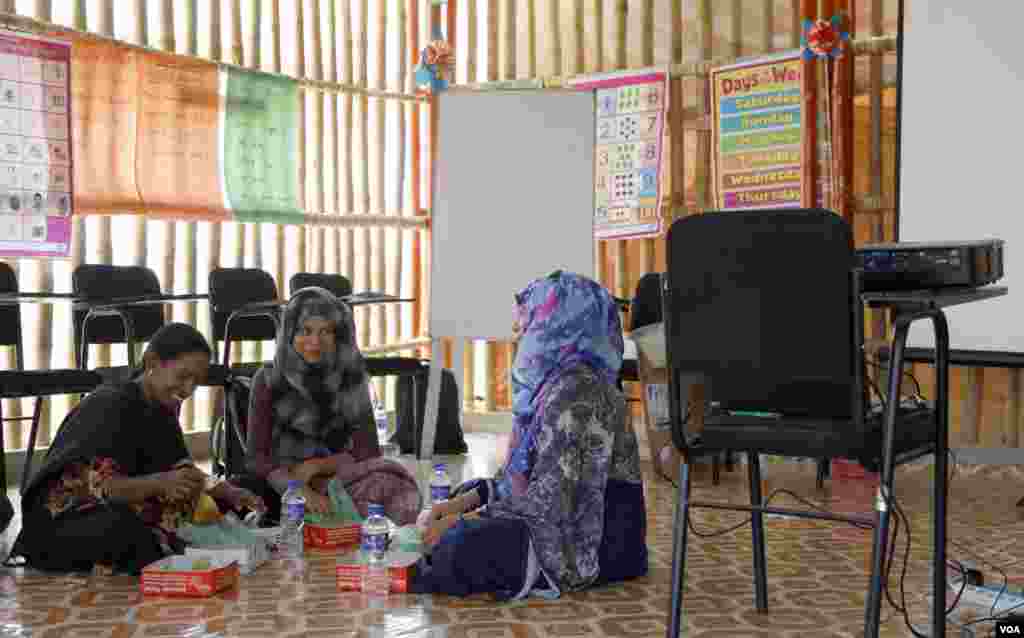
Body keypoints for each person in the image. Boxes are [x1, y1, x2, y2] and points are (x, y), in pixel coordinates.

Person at [415, 271, 648, 599]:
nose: (517, 338)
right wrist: (458, 505)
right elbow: (520, 481)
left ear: (557, 328)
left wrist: (460, 523)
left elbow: (550, 504)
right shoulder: (552, 386)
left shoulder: (579, 393)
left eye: (526, 328)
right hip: (558, 515)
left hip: (600, 543)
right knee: (464, 499)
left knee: (462, 545)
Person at [11, 323, 265, 575]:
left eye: (196, 382)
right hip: (68, 519)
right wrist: (159, 483)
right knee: (125, 531)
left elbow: (182, 469)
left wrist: (227, 490)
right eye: (183, 377)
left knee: (236, 496)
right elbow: (100, 486)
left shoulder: (162, 409)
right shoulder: (108, 405)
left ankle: (167, 545)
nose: (188, 390)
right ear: (152, 362)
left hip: (128, 504)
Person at [238, 286, 420, 525]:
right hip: (282, 482)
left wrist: (317, 466)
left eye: (326, 331)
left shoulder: (351, 377)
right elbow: (257, 459)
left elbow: (368, 452)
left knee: (391, 483)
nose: (315, 342)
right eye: (305, 331)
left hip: (338, 480)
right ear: (289, 333)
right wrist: (299, 490)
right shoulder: (268, 379)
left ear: (339, 336)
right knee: (239, 493)